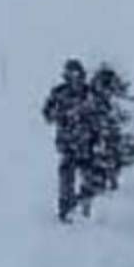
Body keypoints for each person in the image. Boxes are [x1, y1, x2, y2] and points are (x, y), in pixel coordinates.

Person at [43, 59, 96, 222]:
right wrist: (60, 115)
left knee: (89, 177)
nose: (75, 79)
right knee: (66, 178)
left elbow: (99, 113)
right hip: (67, 142)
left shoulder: (89, 92)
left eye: (77, 74)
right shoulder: (59, 93)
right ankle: (66, 209)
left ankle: (85, 204)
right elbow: (47, 113)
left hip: (87, 142)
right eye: (71, 74)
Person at [89, 64, 127, 192]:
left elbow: (120, 105)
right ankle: (102, 178)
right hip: (100, 126)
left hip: (110, 126)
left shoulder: (114, 96)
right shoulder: (95, 95)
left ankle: (111, 176)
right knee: (100, 153)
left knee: (112, 152)